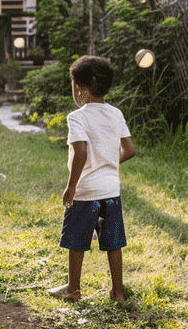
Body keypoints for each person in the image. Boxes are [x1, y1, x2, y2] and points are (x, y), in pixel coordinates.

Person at [49, 55, 135, 303]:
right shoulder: (116, 114)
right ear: (107, 87)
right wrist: (107, 162)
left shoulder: (77, 117)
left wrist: (70, 187)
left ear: (79, 89)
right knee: (113, 243)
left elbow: (81, 152)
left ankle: (73, 289)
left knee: (76, 242)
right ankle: (118, 292)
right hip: (111, 191)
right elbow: (129, 150)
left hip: (86, 191)